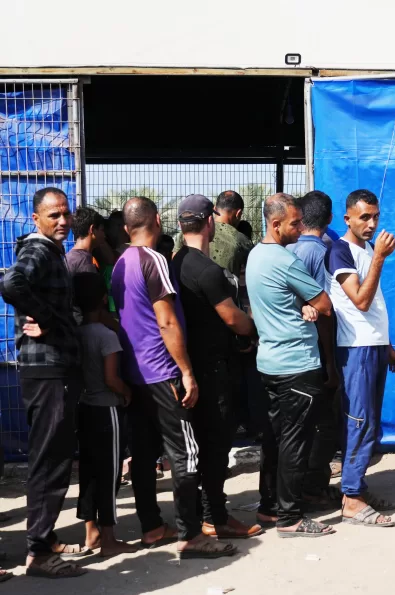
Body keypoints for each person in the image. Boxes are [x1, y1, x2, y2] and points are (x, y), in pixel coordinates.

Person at [111, 196, 235, 559]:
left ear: (126, 228)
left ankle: (152, 527)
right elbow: (166, 321)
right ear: (156, 220)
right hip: (162, 371)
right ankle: (190, 534)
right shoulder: (154, 261)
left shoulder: (119, 264)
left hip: (135, 373)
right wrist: (186, 371)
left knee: (144, 453)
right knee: (186, 453)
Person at [1, 187, 89, 578]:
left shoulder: (50, 252)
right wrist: (48, 318)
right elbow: (12, 284)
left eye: (66, 213)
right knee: (50, 458)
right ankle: (38, 552)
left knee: (55, 454)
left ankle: (46, 538)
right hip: (47, 368)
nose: (63, 221)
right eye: (54, 215)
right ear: (36, 218)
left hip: (54, 366)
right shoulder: (37, 250)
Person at [170, 194, 262, 539]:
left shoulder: (176, 263)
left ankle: (202, 513)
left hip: (190, 366)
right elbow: (233, 319)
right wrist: (254, 327)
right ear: (210, 222)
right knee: (216, 447)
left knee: (200, 446)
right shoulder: (207, 271)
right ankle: (215, 518)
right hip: (213, 369)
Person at [246, 193, 336, 538]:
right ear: (275, 224)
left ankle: (269, 507)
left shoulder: (255, 256)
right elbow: (325, 304)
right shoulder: (286, 261)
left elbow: (280, 300)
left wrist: (300, 303)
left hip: (270, 362)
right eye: (295, 223)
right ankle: (291, 517)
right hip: (297, 363)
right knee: (296, 442)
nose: (301, 228)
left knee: (275, 438)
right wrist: (308, 303)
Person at [326, 190, 395, 527]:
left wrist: (387, 346)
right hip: (355, 348)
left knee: (369, 420)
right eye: (364, 218)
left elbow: (374, 308)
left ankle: (356, 487)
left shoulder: (368, 249)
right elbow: (360, 300)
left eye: (375, 217)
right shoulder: (340, 251)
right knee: (359, 420)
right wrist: (380, 259)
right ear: (348, 219)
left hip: (372, 346)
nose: (371, 224)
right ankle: (352, 497)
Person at [71, 272, 137, 558]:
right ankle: (109, 537)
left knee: (89, 472)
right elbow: (111, 379)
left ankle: (91, 531)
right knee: (110, 474)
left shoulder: (77, 333)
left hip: (85, 407)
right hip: (107, 410)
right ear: (102, 298)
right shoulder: (107, 336)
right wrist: (127, 392)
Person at [288, 191, 343, 503]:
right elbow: (324, 311)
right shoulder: (323, 251)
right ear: (331, 218)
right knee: (325, 423)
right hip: (316, 350)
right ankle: (314, 488)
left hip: (289, 351)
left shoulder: (285, 249)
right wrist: (331, 364)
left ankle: (298, 487)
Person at [174, 190, 254, 278]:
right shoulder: (242, 240)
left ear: (215, 209)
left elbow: (174, 260)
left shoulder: (188, 233)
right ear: (238, 213)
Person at [66, 207, 105, 274]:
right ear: (92, 229)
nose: (104, 235)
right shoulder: (85, 262)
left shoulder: (68, 257)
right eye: (102, 230)